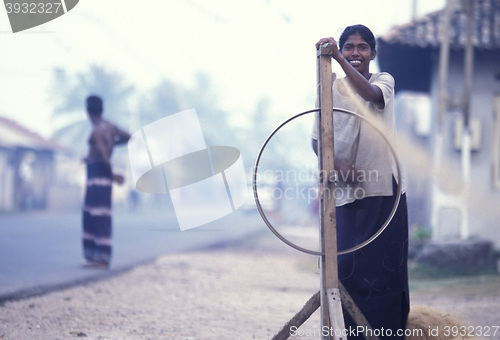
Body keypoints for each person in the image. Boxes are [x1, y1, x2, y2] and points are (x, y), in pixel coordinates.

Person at [311, 25, 409, 338]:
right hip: (345, 195)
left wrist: (337, 57)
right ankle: (349, 332)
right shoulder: (329, 89)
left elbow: (371, 96)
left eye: (362, 47)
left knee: (384, 271)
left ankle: (387, 333)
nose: (356, 53)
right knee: (348, 267)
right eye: (349, 47)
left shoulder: (384, 81)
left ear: (373, 54)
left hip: (384, 192)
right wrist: (337, 165)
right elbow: (317, 140)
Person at [82, 95, 131, 269]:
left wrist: (113, 175)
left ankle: (101, 259)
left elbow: (103, 155)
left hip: (98, 177)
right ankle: (96, 257)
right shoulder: (109, 127)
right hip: (99, 175)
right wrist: (112, 143)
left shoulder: (96, 131)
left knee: (97, 215)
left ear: (88, 111)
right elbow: (127, 136)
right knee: (95, 214)